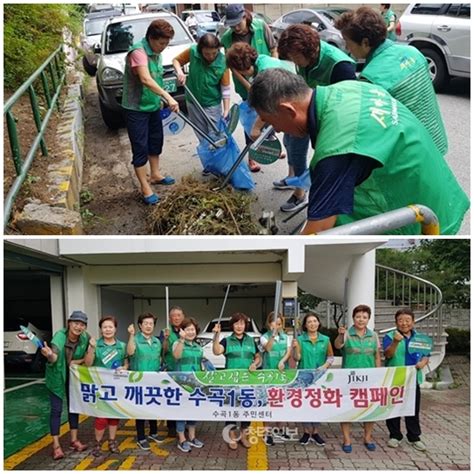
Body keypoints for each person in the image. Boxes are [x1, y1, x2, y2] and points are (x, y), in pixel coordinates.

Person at [247, 68, 469, 235]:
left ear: (288, 110)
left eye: (270, 121)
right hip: (439, 187)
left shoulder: (338, 149)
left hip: (424, 217)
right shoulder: (349, 88)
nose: (275, 129)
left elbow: (317, 233)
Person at [335, 7, 448, 156]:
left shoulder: (370, 78)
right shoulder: (414, 52)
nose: (347, 48)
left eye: (347, 42)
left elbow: (374, 130)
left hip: (414, 156)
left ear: (365, 42)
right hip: (437, 141)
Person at [275, 24, 357, 212]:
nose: (293, 61)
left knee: (314, 158)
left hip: (332, 120)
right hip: (310, 110)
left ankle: (301, 194)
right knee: (290, 141)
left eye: (295, 57)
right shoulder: (304, 60)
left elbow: (351, 105)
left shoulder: (340, 66)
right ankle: (293, 179)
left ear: (308, 50)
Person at [122, 19, 179, 206]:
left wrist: (161, 100)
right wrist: (168, 97)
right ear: (151, 38)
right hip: (136, 108)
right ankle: (145, 186)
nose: (164, 47)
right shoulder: (138, 52)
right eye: (161, 43)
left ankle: (155, 174)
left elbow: (157, 78)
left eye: (166, 43)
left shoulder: (156, 53)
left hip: (152, 105)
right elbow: (146, 79)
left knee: (155, 141)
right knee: (140, 146)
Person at [221, 4, 278, 172]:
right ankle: (252, 156)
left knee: (269, 115)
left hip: (266, 76)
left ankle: (269, 147)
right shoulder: (227, 37)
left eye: (238, 23)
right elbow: (232, 66)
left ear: (245, 17)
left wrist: (273, 69)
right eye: (232, 25)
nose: (236, 28)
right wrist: (249, 86)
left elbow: (273, 49)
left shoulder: (260, 26)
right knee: (251, 119)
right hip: (245, 84)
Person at [40, 310, 90, 460]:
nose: (78, 327)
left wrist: (77, 362)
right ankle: (56, 445)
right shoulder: (59, 336)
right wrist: (49, 354)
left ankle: (74, 440)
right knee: (56, 410)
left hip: (73, 377)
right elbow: (54, 356)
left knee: (73, 408)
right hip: (57, 376)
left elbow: (87, 358)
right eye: (76, 323)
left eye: (82, 325)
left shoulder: (85, 338)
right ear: (69, 323)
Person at [334, 305, 381, 453]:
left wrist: (378, 373)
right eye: (358, 316)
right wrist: (341, 335)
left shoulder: (373, 336)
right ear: (353, 318)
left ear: (368, 319)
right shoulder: (347, 333)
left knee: (370, 409)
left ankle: (367, 437)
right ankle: (347, 439)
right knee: (347, 408)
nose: (361, 320)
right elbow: (337, 345)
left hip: (369, 378)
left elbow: (377, 355)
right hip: (349, 379)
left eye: (364, 317)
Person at [383, 308, 430, 451]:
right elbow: (388, 355)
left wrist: (423, 363)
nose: (404, 323)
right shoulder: (390, 336)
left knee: (413, 408)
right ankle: (395, 435)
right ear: (396, 322)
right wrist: (396, 342)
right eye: (401, 320)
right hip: (395, 378)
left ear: (413, 322)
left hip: (413, 378)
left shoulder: (420, 338)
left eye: (407, 320)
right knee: (393, 407)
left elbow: (425, 355)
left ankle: (414, 437)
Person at [212, 312, 262, 449]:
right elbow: (216, 351)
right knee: (231, 410)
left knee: (246, 409)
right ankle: (232, 437)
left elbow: (258, 357)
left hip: (248, 382)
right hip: (231, 382)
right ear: (232, 325)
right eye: (236, 323)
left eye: (242, 323)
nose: (239, 326)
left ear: (245, 325)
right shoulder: (226, 340)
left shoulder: (251, 340)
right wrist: (216, 335)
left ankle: (244, 436)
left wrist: (255, 364)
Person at [173, 34, 231, 148]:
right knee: (202, 135)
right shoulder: (193, 51)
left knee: (216, 136)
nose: (210, 57)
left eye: (214, 53)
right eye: (206, 53)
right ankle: (209, 162)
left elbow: (226, 89)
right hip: (192, 101)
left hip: (211, 104)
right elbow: (176, 60)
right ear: (200, 50)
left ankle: (220, 163)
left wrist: (227, 109)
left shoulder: (223, 62)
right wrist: (180, 72)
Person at [84, 315, 128, 457]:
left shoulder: (122, 346)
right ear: (101, 329)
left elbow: (127, 363)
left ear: (115, 329)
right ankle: (97, 443)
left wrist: (125, 367)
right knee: (101, 417)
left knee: (114, 415)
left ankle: (112, 441)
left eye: (110, 327)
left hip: (116, 386)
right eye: (105, 327)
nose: (107, 329)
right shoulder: (96, 344)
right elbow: (88, 363)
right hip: (100, 387)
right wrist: (91, 348)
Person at [292, 312, 334, 446]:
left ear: (318, 323)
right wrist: (295, 349)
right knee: (305, 404)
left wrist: (325, 366)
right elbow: (297, 358)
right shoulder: (300, 339)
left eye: (314, 321)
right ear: (305, 325)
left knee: (317, 404)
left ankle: (315, 432)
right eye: (309, 322)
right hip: (304, 377)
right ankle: (306, 431)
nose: (312, 324)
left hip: (320, 378)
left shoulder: (325, 339)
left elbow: (331, 356)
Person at [127, 312, 165, 450]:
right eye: (146, 324)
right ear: (140, 325)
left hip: (153, 381)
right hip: (139, 381)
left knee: (153, 405)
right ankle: (141, 437)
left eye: (151, 324)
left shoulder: (156, 341)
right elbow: (130, 352)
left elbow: (159, 359)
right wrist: (131, 335)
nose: (149, 326)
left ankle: (153, 432)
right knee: (141, 410)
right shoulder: (135, 339)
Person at [172, 317, 206, 453]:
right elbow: (176, 356)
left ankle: (192, 437)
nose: (191, 332)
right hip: (181, 383)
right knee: (181, 411)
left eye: (192, 329)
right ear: (182, 331)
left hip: (195, 384)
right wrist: (181, 340)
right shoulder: (177, 343)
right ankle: (181, 439)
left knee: (193, 410)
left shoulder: (198, 347)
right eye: (187, 329)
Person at [259, 311, 291, 446]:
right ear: (269, 324)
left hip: (283, 374)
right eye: (274, 323)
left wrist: (283, 361)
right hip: (268, 375)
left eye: (279, 324)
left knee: (281, 402)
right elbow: (268, 348)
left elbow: (289, 352)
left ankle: (281, 428)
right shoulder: (264, 337)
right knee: (268, 403)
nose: (277, 326)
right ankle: (266, 432)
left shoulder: (286, 337)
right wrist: (273, 335)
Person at [159, 306, 186, 437]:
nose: (176, 318)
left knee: (185, 398)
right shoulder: (165, 331)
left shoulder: (187, 330)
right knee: (171, 398)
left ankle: (184, 425)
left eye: (179, 315)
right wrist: (165, 339)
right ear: (170, 318)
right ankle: (171, 426)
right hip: (170, 369)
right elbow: (162, 351)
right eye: (173, 315)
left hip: (184, 369)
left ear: (183, 316)